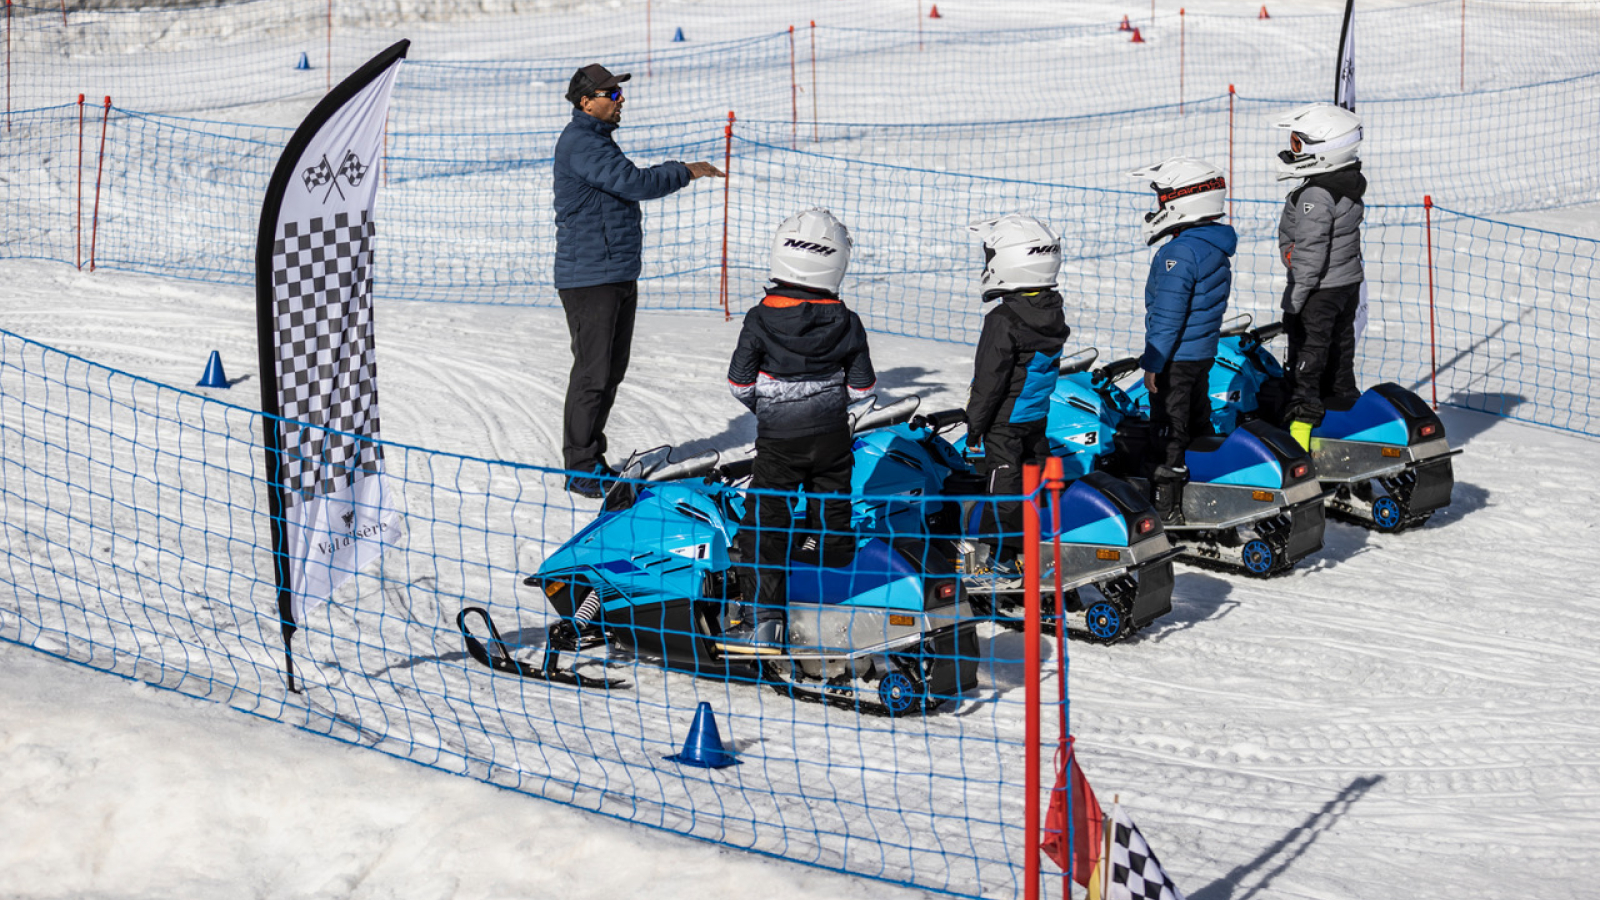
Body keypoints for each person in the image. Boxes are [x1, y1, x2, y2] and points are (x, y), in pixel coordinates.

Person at [553, 63, 725, 498]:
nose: (619, 99)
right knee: (593, 374)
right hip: (591, 278)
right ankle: (582, 468)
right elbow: (634, 183)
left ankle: (592, 459)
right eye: (610, 94)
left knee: (610, 371)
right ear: (585, 101)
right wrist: (685, 170)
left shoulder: (597, 141)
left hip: (613, 272)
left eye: (618, 93)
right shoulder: (582, 144)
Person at [718, 209, 877, 654]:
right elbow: (862, 388)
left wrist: (770, 407)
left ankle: (763, 620)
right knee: (830, 518)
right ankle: (835, 603)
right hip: (832, 438)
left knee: (764, 525)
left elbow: (739, 383)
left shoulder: (759, 318)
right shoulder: (847, 320)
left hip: (779, 442)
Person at [1128, 157, 1236, 525]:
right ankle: (1207, 486)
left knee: (1169, 429)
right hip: (1202, 352)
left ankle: (1167, 506)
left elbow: (1168, 315)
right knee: (1197, 419)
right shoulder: (1212, 245)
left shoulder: (1180, 252)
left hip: (1176, 356)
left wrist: (1153, 362)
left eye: (1162, 199)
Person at [963, 214, 1069, 580]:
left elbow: (989, 381)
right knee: (1034, 480)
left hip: (1005, 421)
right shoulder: (1051, 309)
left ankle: (995, 561)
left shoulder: (1004, 319)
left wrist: (973, 427)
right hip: (1035, 416)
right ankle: (1034, 547)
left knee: (1000, 487)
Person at [1273, 102, 1367, 450]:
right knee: (1339, 357)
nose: (1291, 149)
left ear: (1325, 148)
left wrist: (1295, 301)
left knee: (1307, 363)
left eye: (1298, 143)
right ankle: (1343, 423)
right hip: (1346, 284)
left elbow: (1310, 252)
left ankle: (1299, 437)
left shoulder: (1315, 193)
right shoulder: (1347, 183)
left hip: (1318, 291)